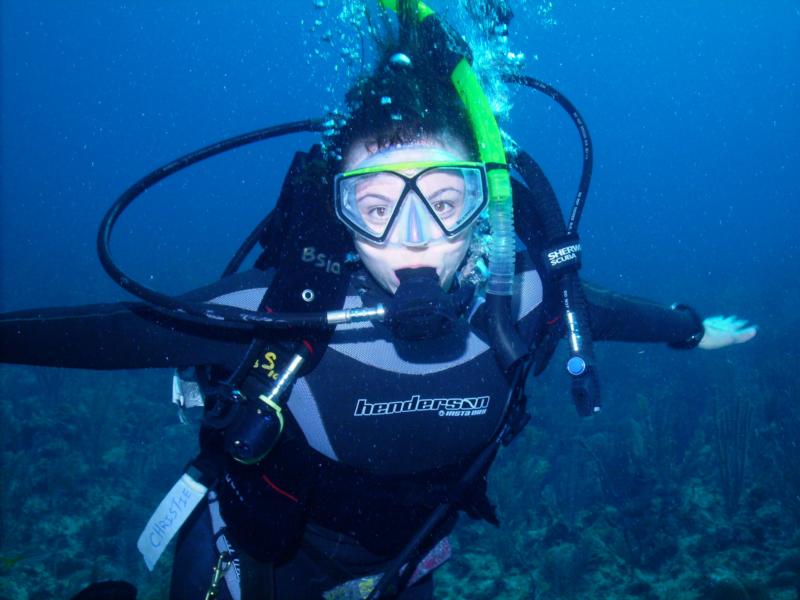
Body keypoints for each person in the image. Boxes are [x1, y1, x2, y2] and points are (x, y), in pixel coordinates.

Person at [0, 3, 756, 599]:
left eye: (444, 197)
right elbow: (114, 336)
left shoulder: (523, 300)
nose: (414, 236)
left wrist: (692, 331)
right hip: (253, 553)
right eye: (375, 204)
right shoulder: (285, 311)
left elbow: (618, 315)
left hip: (407, 560)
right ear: (342, 216)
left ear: (486, 208)